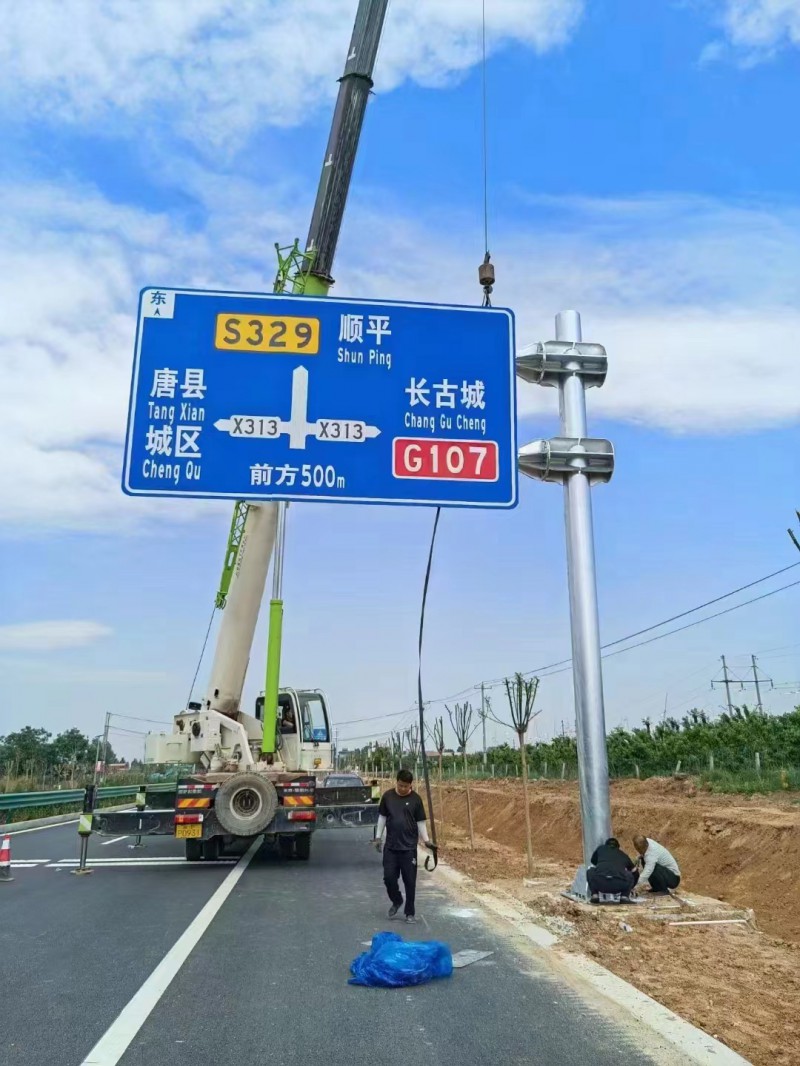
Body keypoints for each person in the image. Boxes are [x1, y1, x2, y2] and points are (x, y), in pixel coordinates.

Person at [374, 769, 431, 924]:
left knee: (410, 882)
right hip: (391, 847)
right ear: (396, 782)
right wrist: (378, 837)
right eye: (400, 785)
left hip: (409, 848)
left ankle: (409, 913)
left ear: (411, 785)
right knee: (389, 878)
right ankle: (397, 900)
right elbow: (382, 817)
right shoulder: (388, 797)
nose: (403, 788)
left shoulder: (416, 799)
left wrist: (426, 841)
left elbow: (420, 822)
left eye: (406, 786)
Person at [587, 837, 638, 902]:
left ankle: (595, 895)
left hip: (600, 884)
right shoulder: (623, 854)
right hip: (618, 886)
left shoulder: (600, 848)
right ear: (618, 847)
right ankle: (624, 896)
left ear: (606, 845)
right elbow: (635, 871)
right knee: (629, 874)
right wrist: (631, 887)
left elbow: (593, 861)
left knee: (590, 871)